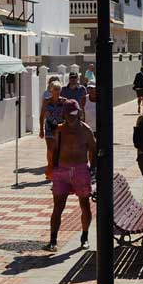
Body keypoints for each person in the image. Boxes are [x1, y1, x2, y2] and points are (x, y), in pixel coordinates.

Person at [46, 100, 95, 252]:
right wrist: (51, 169)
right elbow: (52, 151)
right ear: (63, 114)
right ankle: (53, 240)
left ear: (79, 112)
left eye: (74, 114)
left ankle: (85, 236)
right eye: (69, 114)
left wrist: (92, 169)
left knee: (84, 205)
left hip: (80, 170)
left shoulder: (86, 130)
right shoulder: (59, 131)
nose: (72, 117)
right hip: (62, 171)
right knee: (58, 207)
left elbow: (93, 149)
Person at [40, 77, 65, 179]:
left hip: (60, 128)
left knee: (59, 150)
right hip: (50, 126)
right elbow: (42, 116)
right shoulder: (46, 101)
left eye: (58, 90)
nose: (57, 92)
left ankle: (57, 169)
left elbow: (67, 115)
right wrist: (41, 130)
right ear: (51, 90)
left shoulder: (64, 101)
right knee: (50, 150)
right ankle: (50, 168)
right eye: (55, 90)